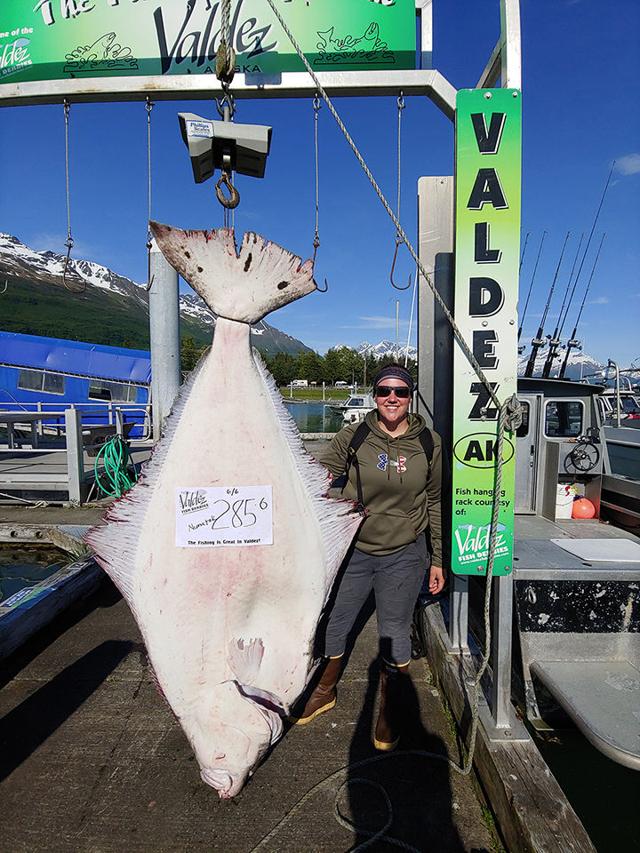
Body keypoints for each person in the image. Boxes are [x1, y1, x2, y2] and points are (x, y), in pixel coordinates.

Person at [292, 364, 445, 751]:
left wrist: (439, 559)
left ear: (411, 397)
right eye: (383, 391)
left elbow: (436, 501)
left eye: (400, 391)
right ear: (374, 395)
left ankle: (389, 705)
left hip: (405, 554)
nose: (391, 398)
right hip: (356, 549)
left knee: (393, 634)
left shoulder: (430, 442)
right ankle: (325, 689)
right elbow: (319, 479)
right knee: (336, 624)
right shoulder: (355, 435)